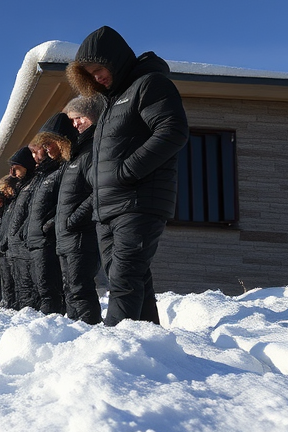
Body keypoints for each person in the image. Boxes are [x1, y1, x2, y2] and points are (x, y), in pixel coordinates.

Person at [66, 26, 189, 326]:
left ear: (116, 59)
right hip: (109, 206)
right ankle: (149, 348)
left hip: (139, 201)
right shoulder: (109, 104)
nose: (97, 77)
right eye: (90, 74)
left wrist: (125, 172)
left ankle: (113, 358)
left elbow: (173, 131)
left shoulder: (149, 84)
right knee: (132, 280)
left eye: (100, 68)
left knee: (123, 280)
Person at [55, 95, 105, 324]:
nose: (75, 124)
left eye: (79, 118)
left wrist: (74, 219)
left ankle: (89, 336)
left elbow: (99, 191)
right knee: (70, 291)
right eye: (72, 120)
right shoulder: (76, 155)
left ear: (93, 117)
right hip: (67, 236)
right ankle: (76, 337)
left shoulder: (93, 150)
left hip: (80, 235)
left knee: (80, 290)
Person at [25, 113, 76, 314]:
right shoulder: (42, 177)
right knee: (41, 288)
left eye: (45, 146)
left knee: (69, 292)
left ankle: (59, 330)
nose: (42, 152)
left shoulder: (61, 169)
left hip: (58, 236)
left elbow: (68, 201)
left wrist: (53, 223)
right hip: (42, 238)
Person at [0, 147, 39, 309]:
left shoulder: (32, 185)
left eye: (15, 168)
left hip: (25, 245)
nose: (12, 173)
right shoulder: (20, 192)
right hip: (14, 247)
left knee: (30, 288)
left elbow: (33, 213)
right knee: (20, 287)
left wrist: (23, 233)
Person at [0, 176, 19, 308]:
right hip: (1, 249)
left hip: (12, 247)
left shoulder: (10, 207)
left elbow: (12, 226)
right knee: (5, 280)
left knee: (13, 280)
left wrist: (4, 242)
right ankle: (8, 303)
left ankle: (12, 304)